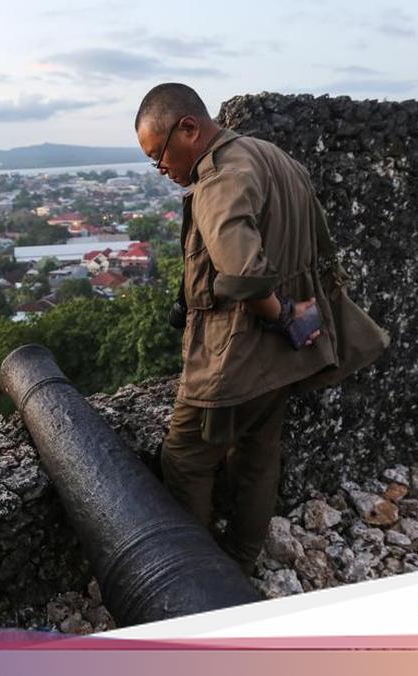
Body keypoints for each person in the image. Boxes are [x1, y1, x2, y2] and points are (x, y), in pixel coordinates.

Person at [134, 83, 338, 576]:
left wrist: (283, 312)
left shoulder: (220, 177)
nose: (162, 171)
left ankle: (197, 577)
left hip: (235, 353)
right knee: (257, 454)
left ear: (189, 128)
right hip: (281, 355)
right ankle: (241, 559)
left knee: (185, 457)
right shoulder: (272, 156)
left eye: (159, 157)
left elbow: (244, 274)